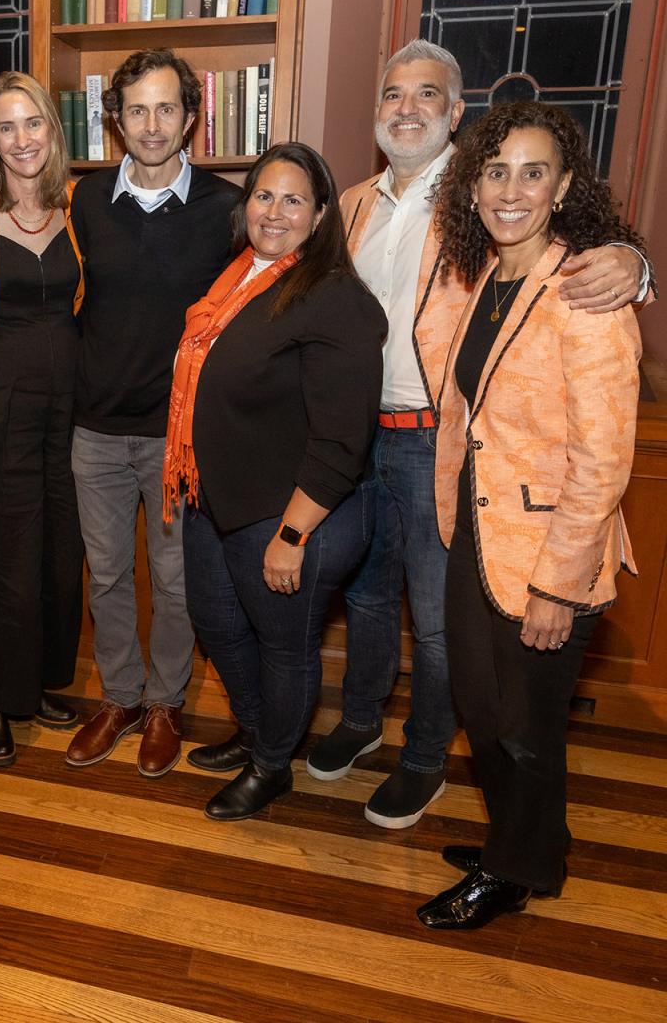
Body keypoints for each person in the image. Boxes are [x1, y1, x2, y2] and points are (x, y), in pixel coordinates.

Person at [306, 40, 653, 830]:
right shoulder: (354, 203)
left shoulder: (481, 197)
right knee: (365, 597)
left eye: (426, 94)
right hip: (357, 439)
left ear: (455, 112)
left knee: (439, 622)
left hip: (443, 444)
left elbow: (574, 262)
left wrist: (633, 263)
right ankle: (362, 721)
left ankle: (426, 757)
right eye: (393, 93)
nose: (406, 108)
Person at [417, 101, 641, 929]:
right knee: (482, 709)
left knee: (526, 726)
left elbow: (604, 460)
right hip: (475, 529)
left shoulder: (585, 289)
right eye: (495, 169)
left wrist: (560, 586)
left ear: (564, 186)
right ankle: (530, 841)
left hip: (552, 549)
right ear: (472, 185)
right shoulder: (481, 275)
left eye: (533, 171)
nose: (511, 189)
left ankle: (515, 870)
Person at [171, 143, 386, 819]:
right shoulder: (237, 276)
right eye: (264, 195)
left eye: (294, 199)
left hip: (288, 511)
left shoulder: (334, 298)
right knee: (217, 622)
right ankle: (260, 732)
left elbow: (343, 439)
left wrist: (293, 533)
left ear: (321, 215)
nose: (275, 211)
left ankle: (272, 767)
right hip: (217, 497)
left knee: (282, 643)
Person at [65, 48, 240, 778]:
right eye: (136, 109)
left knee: (174, 583)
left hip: (177, 437)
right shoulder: (86, 200)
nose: (152, 124)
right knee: (105, 577)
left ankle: (166, 703)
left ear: (192, 118)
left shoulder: (227, 209)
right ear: (116, 121)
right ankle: (122, 697)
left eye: (167, 108)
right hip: (96, 429)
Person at [0, 72, 85, 767]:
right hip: (0, 408)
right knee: (6, 558)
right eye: (5, 127)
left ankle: (36, 683)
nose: (20, 139)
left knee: (57, 555)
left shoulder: (78, 206)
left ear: (51, 128)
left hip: (70, 408)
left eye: (31, 122)